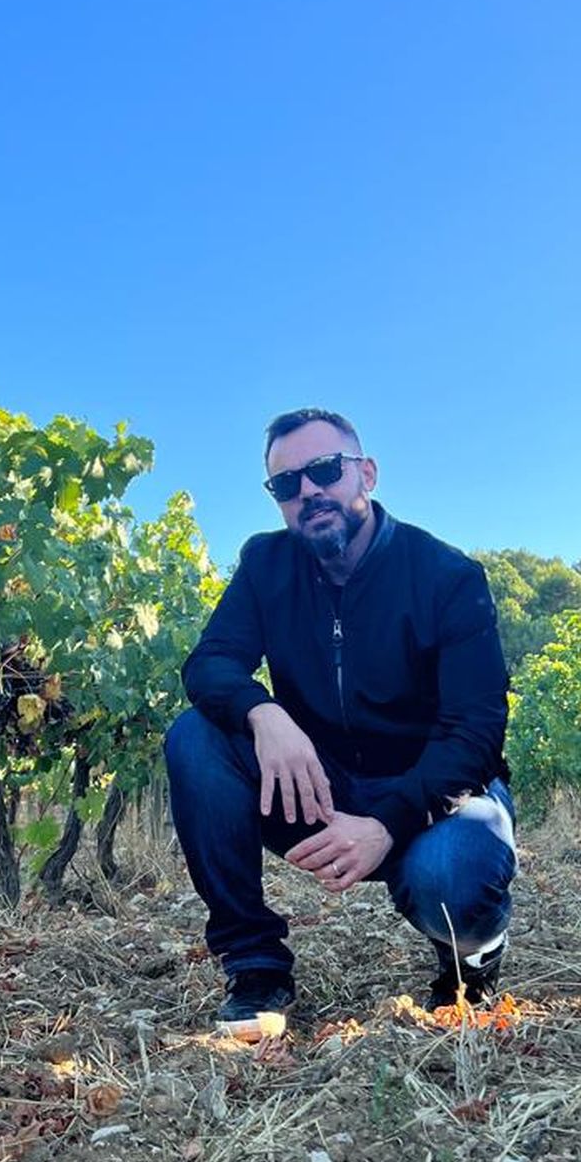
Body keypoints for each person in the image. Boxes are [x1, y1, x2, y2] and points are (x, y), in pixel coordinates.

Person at [164, 409, 516, 1034]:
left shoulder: (447, 577)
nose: (308, 492)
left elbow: (477, 731)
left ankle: (470, 958)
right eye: (285, 484)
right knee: (195, 737)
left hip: (435, 796)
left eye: (325, 470)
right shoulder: (266, 565)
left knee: (451, 875)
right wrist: (264, 712)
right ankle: (255, 966)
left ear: (367, 474)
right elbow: (210, 663)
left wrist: (387, 822)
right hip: (320, 788)